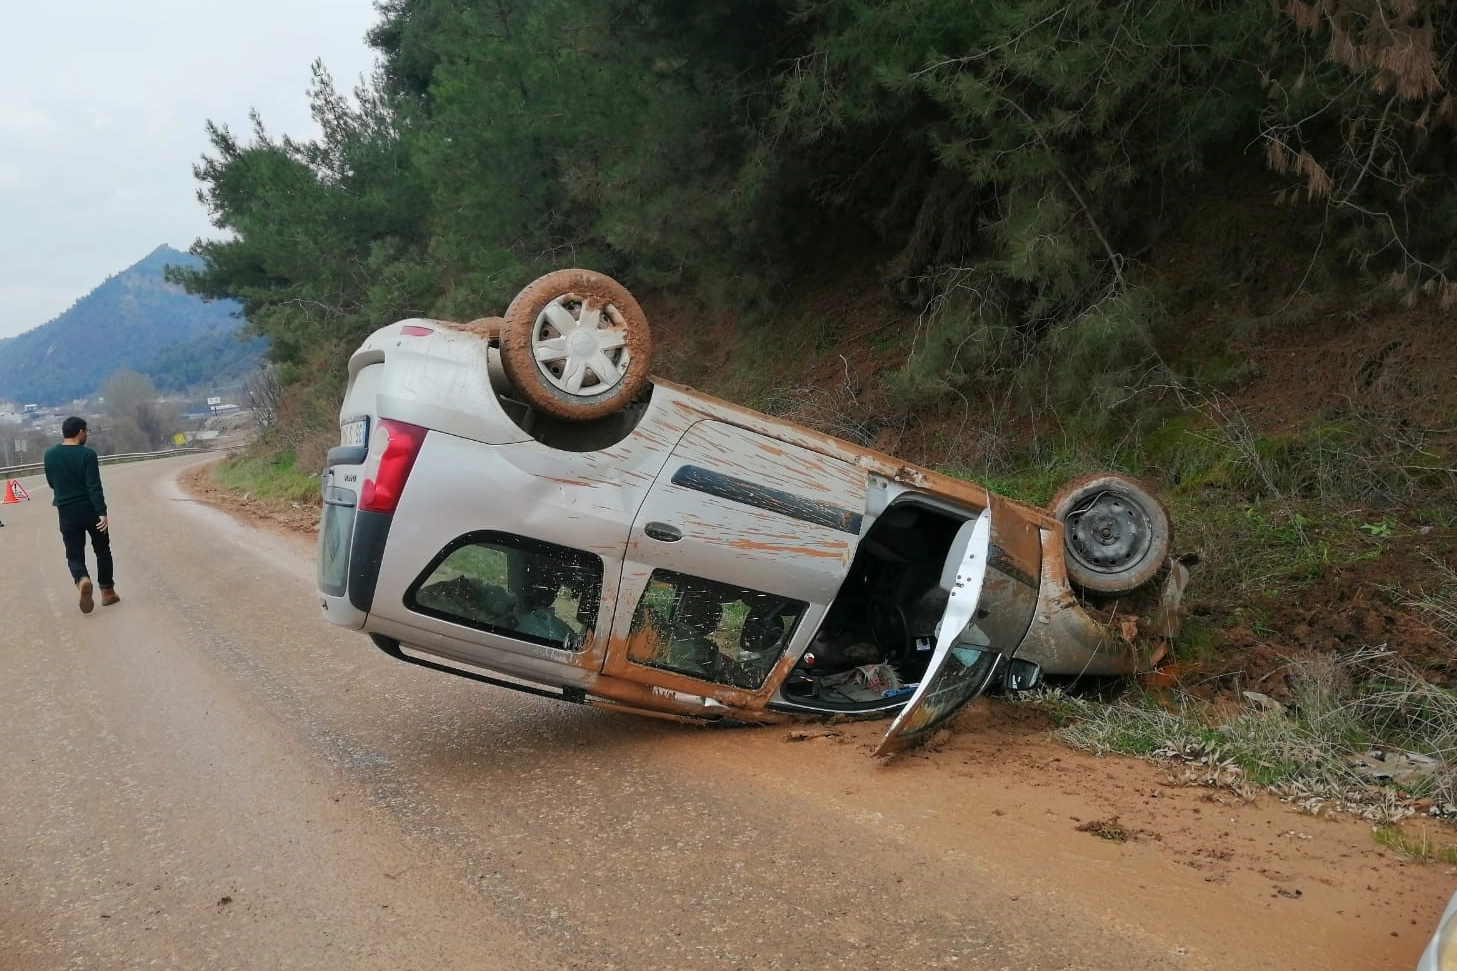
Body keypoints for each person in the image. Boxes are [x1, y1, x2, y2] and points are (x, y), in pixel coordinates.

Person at [43, 417, 118, 613]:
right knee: (102, 550)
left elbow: (51, 483)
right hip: (90, 510)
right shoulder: (88, 455)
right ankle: (108, 592)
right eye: (86, 431)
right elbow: (94, 486)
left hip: (66, 511)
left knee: (74, 554)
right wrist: (102, 512)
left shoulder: (50, 455)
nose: (86, 435)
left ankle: (82, 579)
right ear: (80, 432)